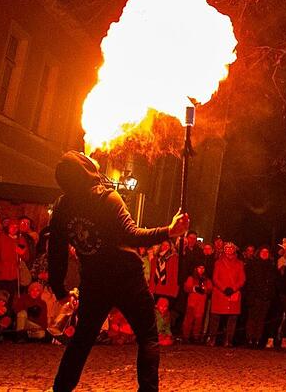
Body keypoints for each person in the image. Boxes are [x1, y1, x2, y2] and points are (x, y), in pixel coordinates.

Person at [48, 151, 190, 392]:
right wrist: (169, 230)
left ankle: (61, 389)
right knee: (148, 337)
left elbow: (56, 252)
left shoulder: (63, 206)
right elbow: (131, 236)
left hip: (94, 281)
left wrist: (59, 290)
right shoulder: (107, 198)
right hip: (127, 279)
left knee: (82, 340)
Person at [208, 242, 245, 347]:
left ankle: (228, 340)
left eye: (231, 248)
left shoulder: (239, 263)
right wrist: (224, 288)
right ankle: (212, 339)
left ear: (234, 250)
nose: (229, 250)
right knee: (215, 318)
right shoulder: (218, 262)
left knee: (232, 318)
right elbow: (215, 278)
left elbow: (242, 279)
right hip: (220, 293)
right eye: (227, 248)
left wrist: (233, 288)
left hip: (233, 293)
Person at [244, 247, 278, 348]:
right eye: (263, 251)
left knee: (261, 319)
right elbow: (250, 281)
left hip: (266, 297)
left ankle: (257, 339)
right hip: (255, 296)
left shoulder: (271, 266)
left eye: (267, 252)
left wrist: (270, 293)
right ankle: (249, 338)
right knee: (252, 317)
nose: (264, 253)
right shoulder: (253, 264)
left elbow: (273, 282)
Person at [181, 265, 212, 344]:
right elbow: (186, 288)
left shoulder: (206, 279)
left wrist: (204, 289)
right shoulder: (191, 278)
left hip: (201, 303)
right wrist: (194, 288)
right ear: (196, 269)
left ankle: (196, 337)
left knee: (199, 320)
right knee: (189, 320)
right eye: (199, 268)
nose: (201, 270)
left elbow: (210, 289)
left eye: (203, 268)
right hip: (192, 302)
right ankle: (186, 336)